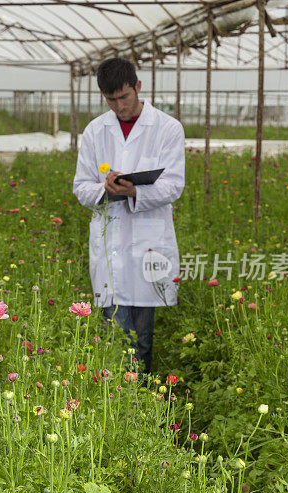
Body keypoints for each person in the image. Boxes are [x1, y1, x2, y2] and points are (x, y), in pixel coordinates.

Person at [72, 57, 185, 374]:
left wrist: (134, 191)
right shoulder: (96, 131)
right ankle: (124, 404)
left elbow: (173, 185)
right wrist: (106, 189)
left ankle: (142, 403)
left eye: (124, 97)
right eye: (111, 100)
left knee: (142, 336)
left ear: (137, 86)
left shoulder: (167, 128)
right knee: (116, 336)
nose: (119, 106)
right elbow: (81, 187)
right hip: (111, 245)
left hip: (148, 242)